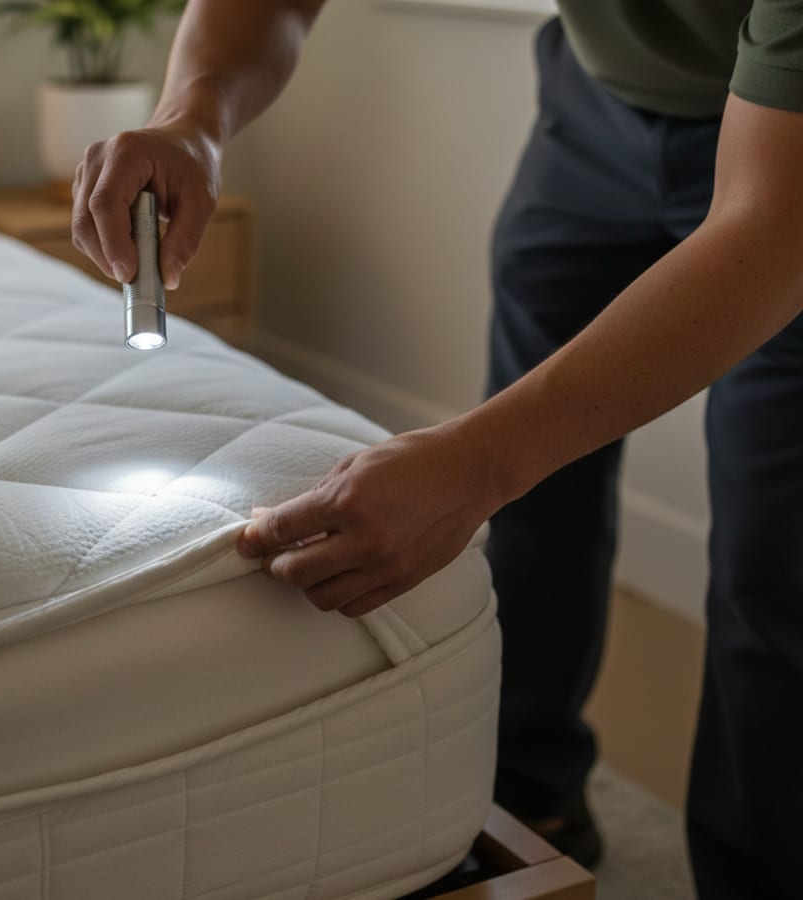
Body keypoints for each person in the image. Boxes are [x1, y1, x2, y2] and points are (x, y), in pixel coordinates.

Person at [70, 1, 803, 896]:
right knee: (531, 494)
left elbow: (775, 225)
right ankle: (530, 794)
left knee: (775, 564)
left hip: (785, 156)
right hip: (596, 107)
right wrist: (191, 117)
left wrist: (478, 466)